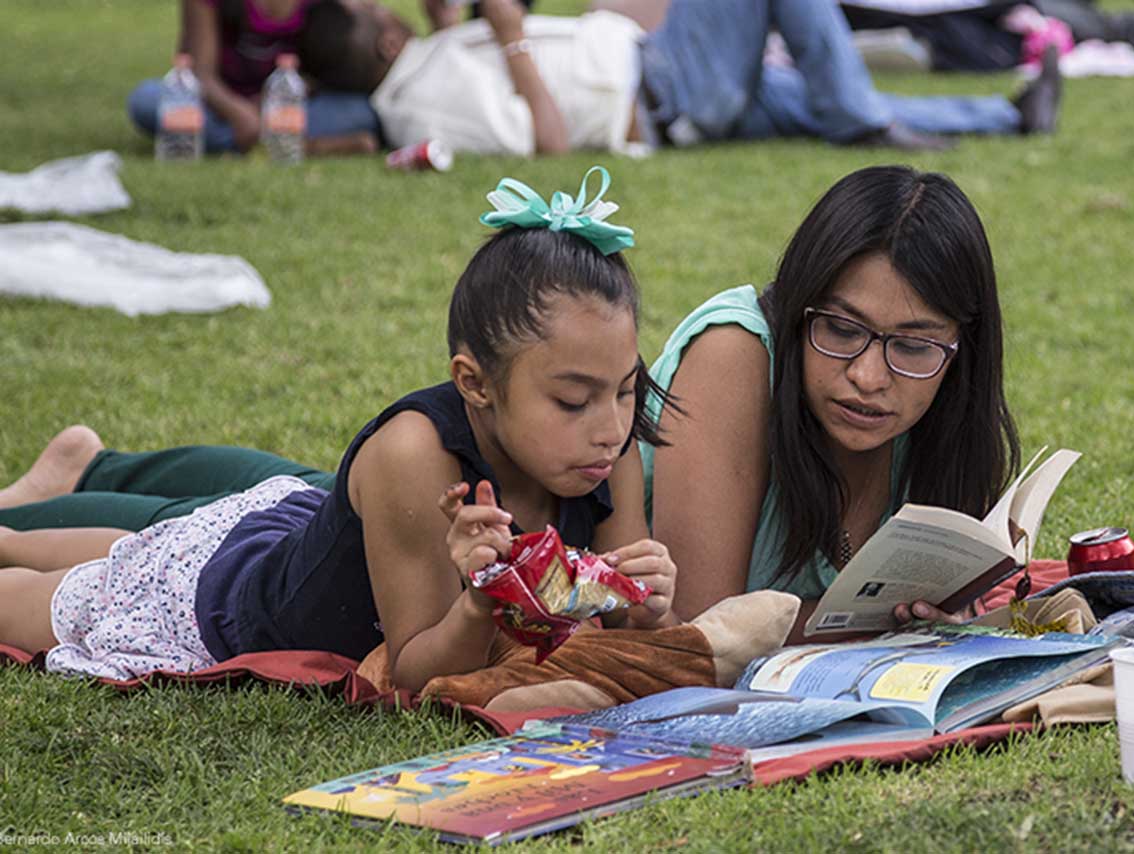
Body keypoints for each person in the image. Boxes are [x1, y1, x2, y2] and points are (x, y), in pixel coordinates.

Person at [0, 166, 680, 691]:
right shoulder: (416, 456)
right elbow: (415, 670)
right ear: (474, 382)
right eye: (572, 401)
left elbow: (617, 617)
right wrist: (478, 607)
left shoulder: (607, 443)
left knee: (144, 545)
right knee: (65, 593)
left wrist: (644, 607)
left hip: (281, 536)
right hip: (226, 606)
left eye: (625, 390)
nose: (610, 425)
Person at [639, 164, 1020, 642]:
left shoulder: (942, 417)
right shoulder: (735, 356)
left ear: (962, 351)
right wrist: (883, 625)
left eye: (913, 346)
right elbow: (699, 639)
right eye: (841, 329)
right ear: (799, 311)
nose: (868, 377)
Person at [295, 0, 1062, 158]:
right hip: (667, 87)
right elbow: (546, 143)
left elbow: (450, 36)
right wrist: (511, 36)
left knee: (823, 103)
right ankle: (859, 118)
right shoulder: (423, 103)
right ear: (385, 39)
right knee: (838, 100)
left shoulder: (418, 68)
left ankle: (1011, 117)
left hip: (671, 84)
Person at [127, 0, 384, 155]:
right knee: (147, 101)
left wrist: (289, 94)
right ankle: (303, 147)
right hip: (221, 104)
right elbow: (200, 74)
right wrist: (239, 113)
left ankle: (261, 144)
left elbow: (336, 71)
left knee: (362, 111)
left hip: (288, 107)